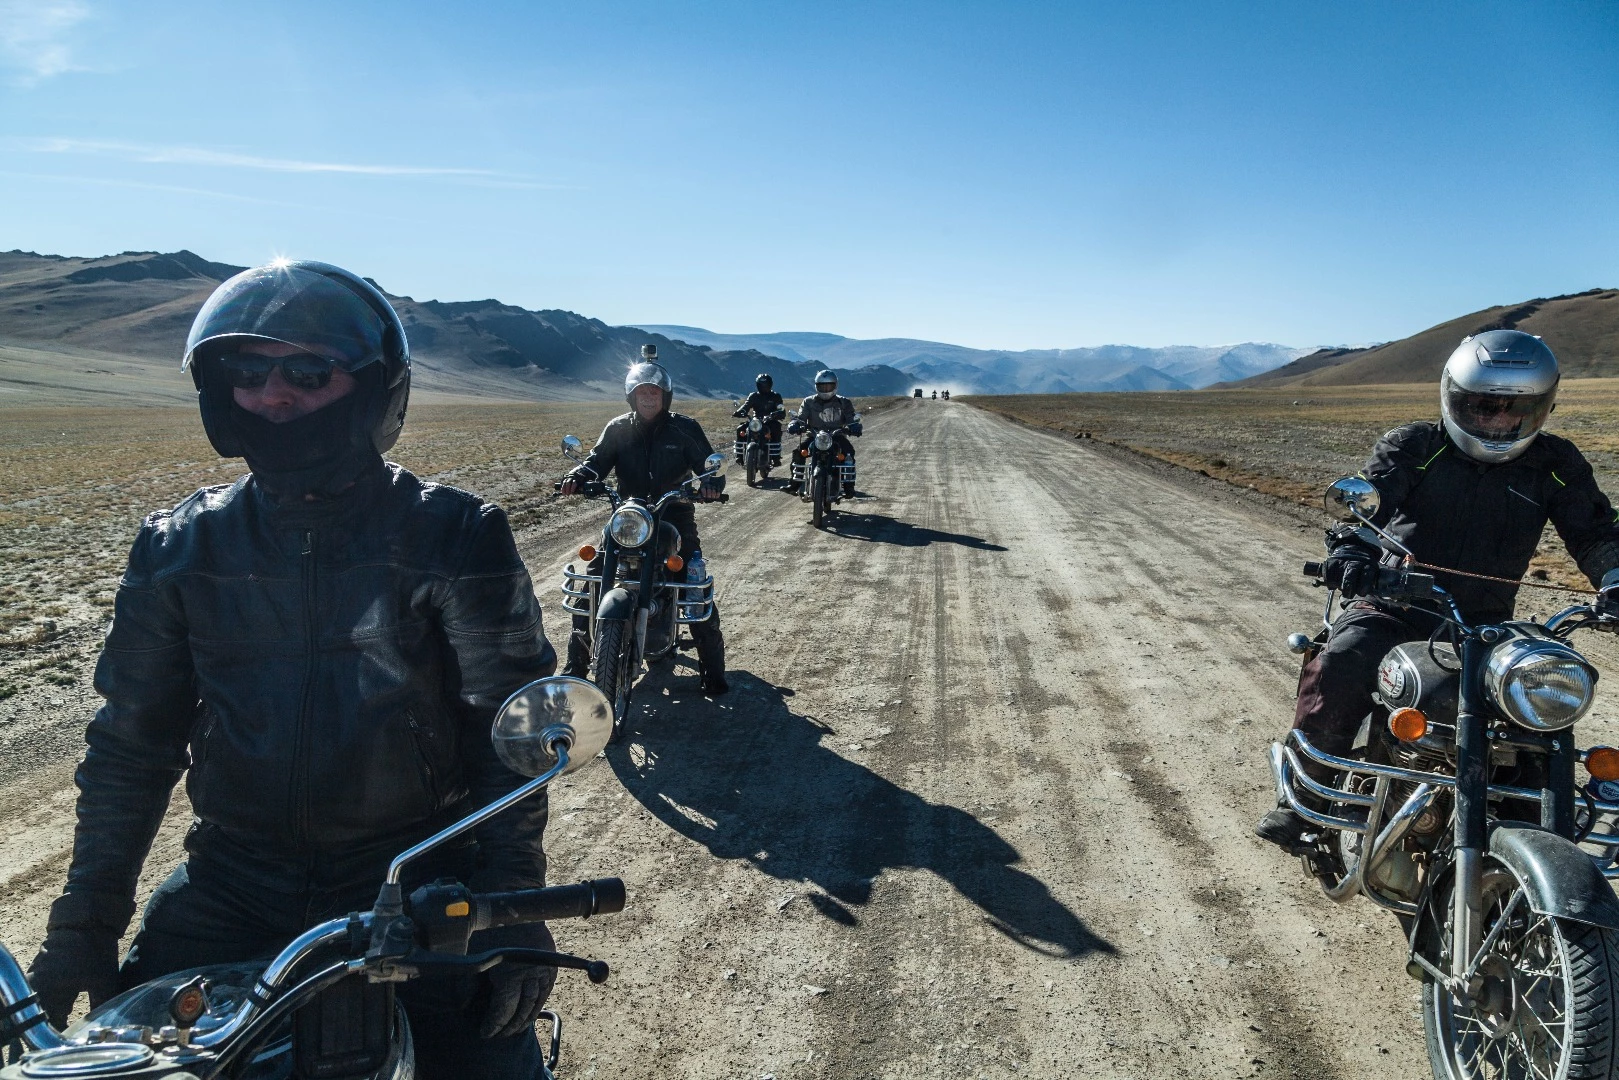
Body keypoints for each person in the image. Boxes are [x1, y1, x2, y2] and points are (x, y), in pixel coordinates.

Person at [27, 260, 560, 1078]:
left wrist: (512, 908)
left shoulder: (453, 535)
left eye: (308, 371)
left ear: (373, 387)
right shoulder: (180, 547)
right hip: (230, 884)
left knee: (487, 1063)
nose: (274, 396)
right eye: (247, 371)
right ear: (217, 387)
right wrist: (83, 927)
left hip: (409, 880)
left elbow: (512, 737)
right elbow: (131, 747)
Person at [1257, 329, 1619, 854]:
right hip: (1395, 603)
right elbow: (1371, 503)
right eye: (1482, 407)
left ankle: (1532, 832)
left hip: (1486, 622)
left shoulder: (1555, 463)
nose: (1496, 421)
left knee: (1536, 699)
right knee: (1345, 660)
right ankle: (1304, 802)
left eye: (1513, 409)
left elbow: (1596, 533)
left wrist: (1614, 579)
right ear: (1453, 398)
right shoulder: (1416, 447)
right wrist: (1354, 553)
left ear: (1543, 406)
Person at [559, 356, 729, 696]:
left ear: (664, 396)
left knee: (693, 581)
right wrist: (578, 476)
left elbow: (708, 467)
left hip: (673, 515)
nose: (648, 397)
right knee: (591, 580)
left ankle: (714, 671)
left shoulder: (685, 428)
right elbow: (597, 462)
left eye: (653, 392)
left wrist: (712, 485)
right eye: (641, 392)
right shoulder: (618, 427)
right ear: (631, 396)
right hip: (629, 517)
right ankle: (576, 667)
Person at [787, 369, 862, 497]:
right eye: (822, 386)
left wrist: (854, 426)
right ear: (816, 386)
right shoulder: (808, 402)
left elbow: (851, 418)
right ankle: (795, 483)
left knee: (848, 453)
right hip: (814, 436)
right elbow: (801, 418)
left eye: (828, 386)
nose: (825, 389)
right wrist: (795, 424)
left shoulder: (844, 402)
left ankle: (849, 486)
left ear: (835, 386)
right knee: (799, 452)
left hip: (837, 436)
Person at [733, 372, 785, 466]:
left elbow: (780, 408)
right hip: (756, 421)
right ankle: (739, 456)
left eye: (765, 385)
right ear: (758, 385)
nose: (763, 387)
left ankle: (775, 457)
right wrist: (739, 412)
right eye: (761, 385)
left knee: (776, 428)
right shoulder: (753, 396)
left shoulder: (775, 396)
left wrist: (776, 414)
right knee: (740, 429)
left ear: (770, 385)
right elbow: (746, 406)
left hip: (770, 421)